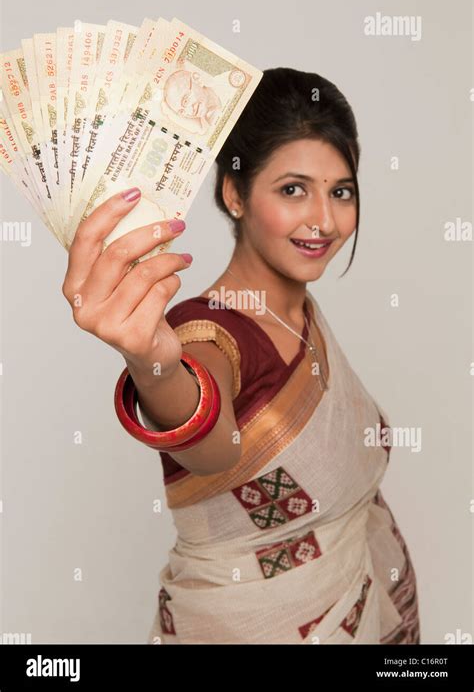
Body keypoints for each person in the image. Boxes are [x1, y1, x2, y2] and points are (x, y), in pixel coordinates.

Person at [62, 67, 420, 645]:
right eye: (293, 189)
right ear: (235, 194)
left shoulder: (301, 317)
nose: (324, 220)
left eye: (341, 191)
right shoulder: (206, 332)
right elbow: (214, 448)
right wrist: (151, 364)